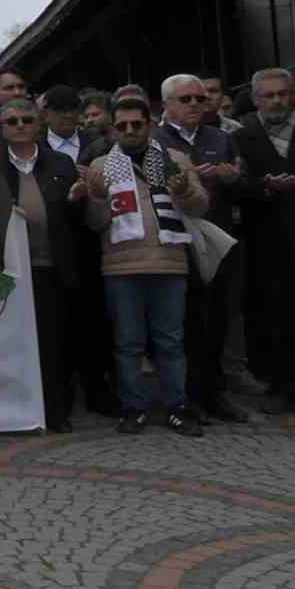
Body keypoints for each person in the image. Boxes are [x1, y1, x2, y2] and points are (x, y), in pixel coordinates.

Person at [84, 97, 209, 437]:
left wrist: (183, 191)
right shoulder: (101, 164)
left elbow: (200, 208)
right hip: (120, 267)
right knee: (128, 344)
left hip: (169, 262)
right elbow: (95, 224)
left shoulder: (175, 158)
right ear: (113, 129)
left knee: (170, 341)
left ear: (149, 125)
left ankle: (177, 407)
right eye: (121, 126)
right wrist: (95, 197)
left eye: (136, 124)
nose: (129, 131)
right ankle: (133, 407)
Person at [0, 99, 86, 432]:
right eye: (12, 121)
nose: (20, 126)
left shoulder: (61, 163)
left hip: (52, 267)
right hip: (11, 270)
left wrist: (77, 201)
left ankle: (55, 410)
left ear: (39, 123)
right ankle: (15, 409)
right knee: (13, 343)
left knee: (54, 344)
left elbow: (78, 220)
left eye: (26, 119)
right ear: (1, 129)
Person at [152, 73, 250, 424]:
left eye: (199, 98)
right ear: (167, 105)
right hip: (177, 240)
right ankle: (186, 396)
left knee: (220, 317)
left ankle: (215, 393)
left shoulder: (221, 138)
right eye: (186, 99)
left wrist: (231, 178)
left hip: (219, 237)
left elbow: (244, 187)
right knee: (185, 321)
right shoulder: (154, 140)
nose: (195, 104)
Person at [233, 68, 295, 413]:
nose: (277, 101)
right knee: (272, 312)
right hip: (264, 238)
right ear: (256, 99)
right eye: (269, 95)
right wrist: (265, 187)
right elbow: (236, 188)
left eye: (283, 94)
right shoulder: (243, 137)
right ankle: (279, 383)